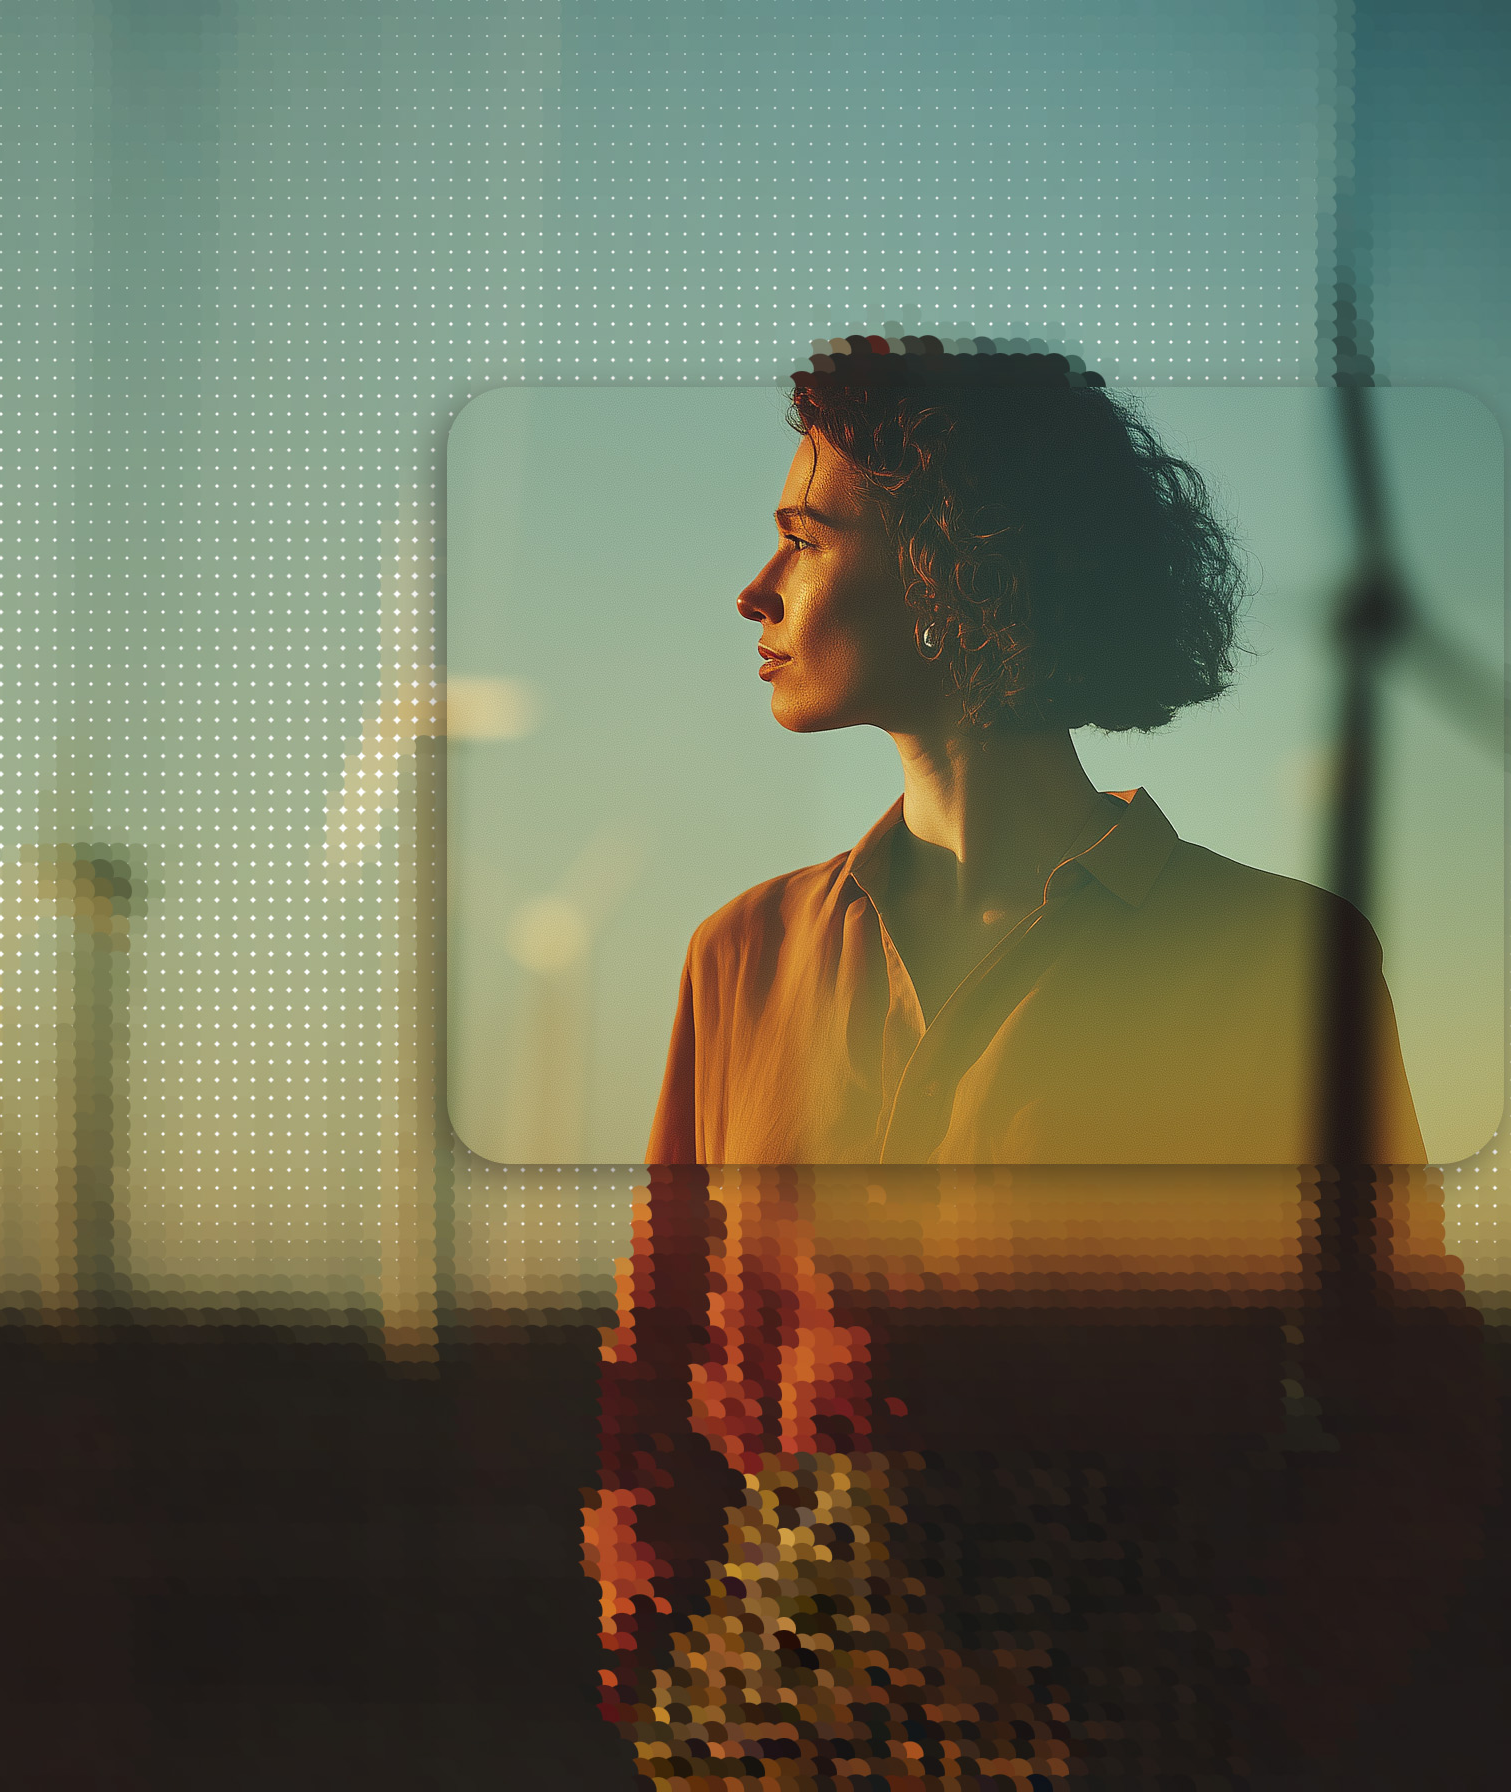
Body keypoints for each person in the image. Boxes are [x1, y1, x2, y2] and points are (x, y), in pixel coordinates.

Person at [584, 338, 1464, 1785]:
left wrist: (1251, 1701)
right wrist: (666, 1674)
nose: (757, 590)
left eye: (805, 539)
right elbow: (652, 1377)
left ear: (955, 566)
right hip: (763, 1739)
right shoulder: (738, 957)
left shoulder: (1276, 964)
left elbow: (1411, 1417)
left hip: (1124, 1731)